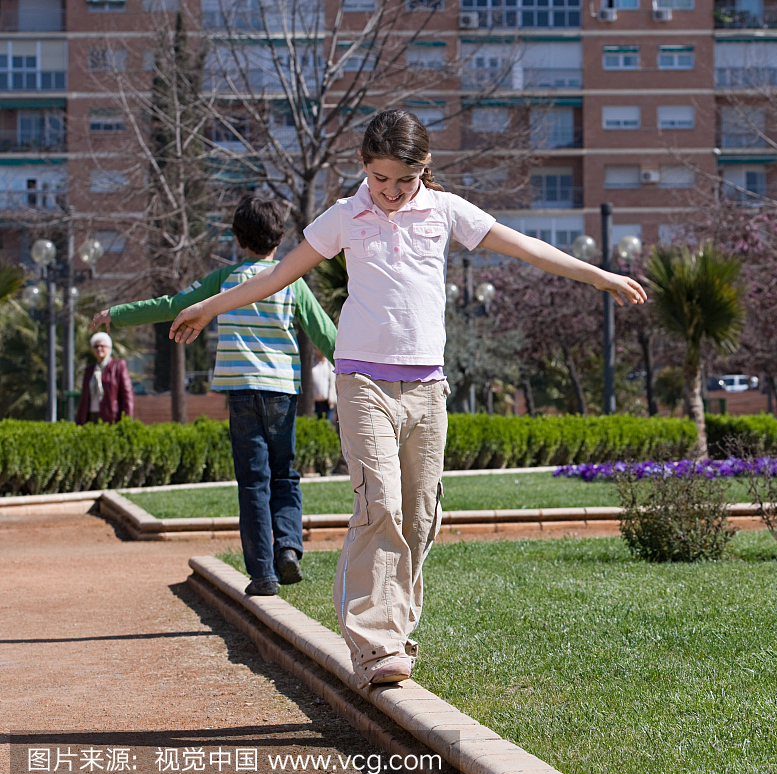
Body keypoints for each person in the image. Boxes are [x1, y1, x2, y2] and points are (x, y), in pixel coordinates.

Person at [167, 110, 646, 687]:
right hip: (362, 381)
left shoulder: (444, 212)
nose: (391, 192)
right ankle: (374, 641)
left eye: (404, 179)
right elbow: (278, 275)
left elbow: (524, 247)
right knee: (381, 505)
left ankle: (397, 624)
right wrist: (208, 307)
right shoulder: (346, 215)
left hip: (426, 387)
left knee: (420, 516)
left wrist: (599, 276)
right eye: (379, 179)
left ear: (425, 168)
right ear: (364, 169)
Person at [90, 196, 338, 598]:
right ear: (280, 238)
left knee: (253, 483)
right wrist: (361, 372)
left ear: (238, 238)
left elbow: (173, 306)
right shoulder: (292, 282)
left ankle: (262, 575)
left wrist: (117, 314)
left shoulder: (223, 280)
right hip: (281, 394)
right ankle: (289, 547)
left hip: (240, 393)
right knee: (285, 475)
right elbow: (326, 335)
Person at [75, 331, 135, 424]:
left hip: (111, 417)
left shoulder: (118, 366)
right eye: (96, 346)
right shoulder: (90, 370)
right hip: (91, 415)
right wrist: (79, 421)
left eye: (102, 346)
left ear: (109, 348)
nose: (99, 348)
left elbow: (127, 395)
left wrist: (126, 420)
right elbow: (84, 398)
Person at [312, 351, 336, 420]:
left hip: (328, 404)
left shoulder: (330, 364)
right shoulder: (312, 362)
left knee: (328, 426)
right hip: (315, 403)